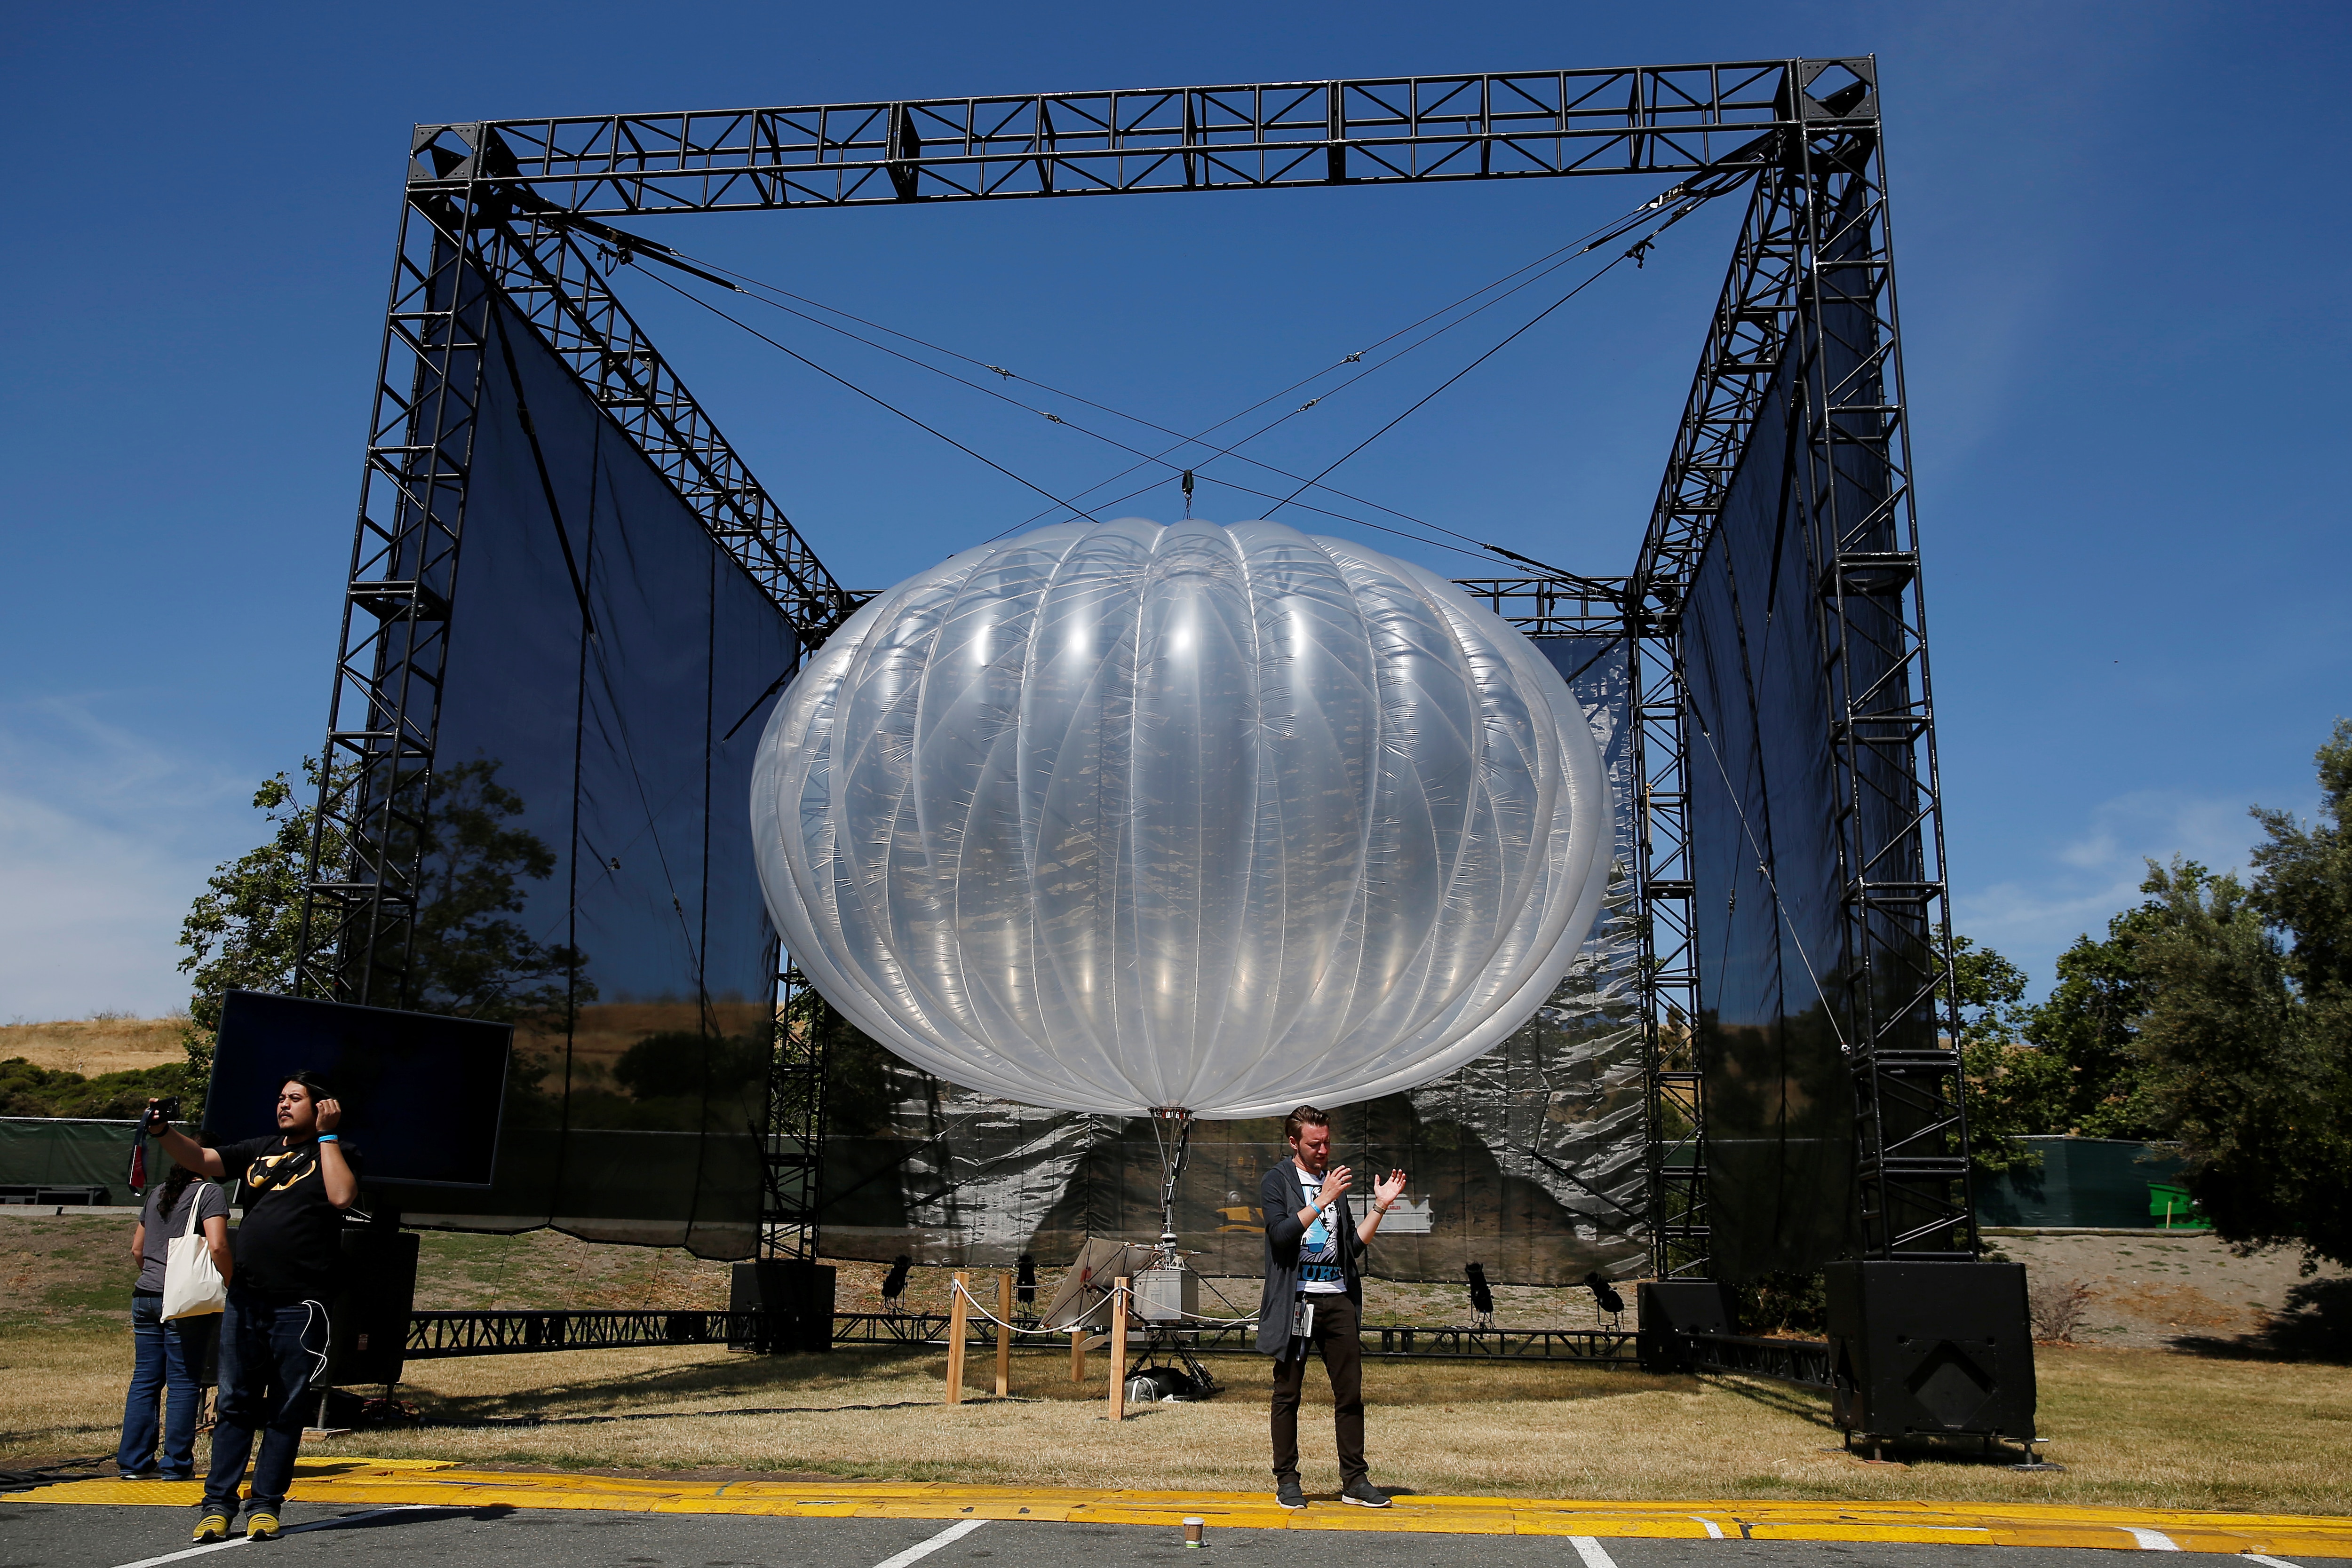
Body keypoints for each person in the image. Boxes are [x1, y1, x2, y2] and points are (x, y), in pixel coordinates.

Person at [144, 1072, 358, 1543]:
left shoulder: (335, 1151)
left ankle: (265, 1506)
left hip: (300, 1305)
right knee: (236, 1404)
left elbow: (342, 1196)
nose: (283, 1104)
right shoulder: (260, 1147)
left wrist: (328, 1135)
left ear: (321, 1106)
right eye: (280, 1096)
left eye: (295, 1098)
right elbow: (200, 1158)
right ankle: (217, 1505)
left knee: (284, 1408)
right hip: (247, 1299)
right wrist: (163, 1131)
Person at [1255, 1104, 1406, 1510]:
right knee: (1288, 1393)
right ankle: (1287, 1481)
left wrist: (1380, 1208)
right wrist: (1322, 1200)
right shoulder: (1278, 1181)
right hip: (1297, 1301)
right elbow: (1281, 1236)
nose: (1323, 1150)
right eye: (1314, 1143)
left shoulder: (1332, 1183)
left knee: (1350, 1394)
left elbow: (1350, 1248)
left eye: (1327, 1142)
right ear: (1294, 1143)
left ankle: (1355, 1480)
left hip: (1337, 1299)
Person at [116, 1149, 231, 1480]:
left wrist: (154, 1274)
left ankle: (134, 1462)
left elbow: (137, 1249)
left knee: (146, 1379)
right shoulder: (210, 1194)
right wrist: (230, 1281)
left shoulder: (158, 1193)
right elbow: (218, 1246)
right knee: (183, 1381)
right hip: (184, 1302)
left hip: (145, 1295)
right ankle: (176, 1463)